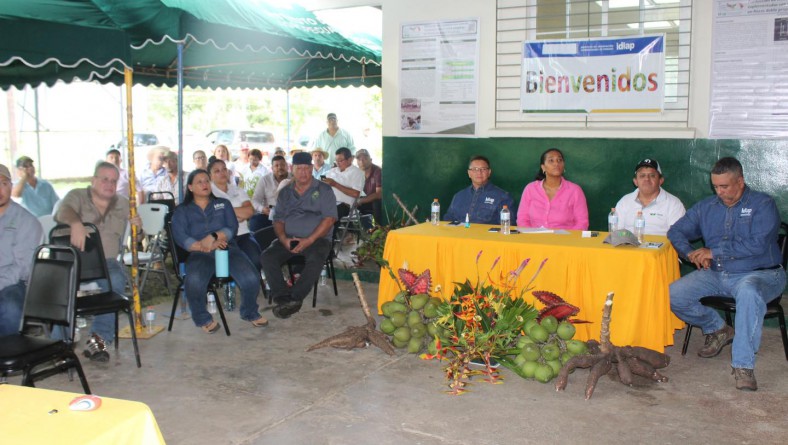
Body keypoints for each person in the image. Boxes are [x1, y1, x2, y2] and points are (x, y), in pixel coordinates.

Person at [668, 157, 786, 391]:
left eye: (724, 186)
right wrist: (690, 253)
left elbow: (758, 245)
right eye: (715, 187)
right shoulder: (706, 207)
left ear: (740, 181)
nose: (719, 192)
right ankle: (717, 328)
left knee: (749, 294)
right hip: (717, 273)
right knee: (674, 295)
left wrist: (713, 251)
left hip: (761, 274)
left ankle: (743, 366)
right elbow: (676, 231)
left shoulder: (763, 204)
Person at [55, 161, 140, 361]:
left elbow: (135, 237)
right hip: (73, 259)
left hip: (106, 262)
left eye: (113, 180)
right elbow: (62, 211)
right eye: (104, 179)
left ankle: (98, 341)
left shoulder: (123, 203)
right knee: (58, 286)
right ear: (94, 180)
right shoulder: (77, 196)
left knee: (117, 281)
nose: (109, 184)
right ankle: (58, 346)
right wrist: (76, 223)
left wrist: (138, 228)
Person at [171, 169, 268, 333]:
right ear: (190, 187)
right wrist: (203, 246)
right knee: (193, 281)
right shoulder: (182, 210)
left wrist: (215, 236)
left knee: (251, 278)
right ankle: (202, 318)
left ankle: (249, 312)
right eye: (199, 182)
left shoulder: (223, 204)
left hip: (227, 249)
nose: (204, 184)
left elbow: (232, 227)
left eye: (206, 181)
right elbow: (180, 236)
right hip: (199, 252)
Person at [260, 152, 337, 319]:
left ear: (311, 169)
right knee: (267, 257)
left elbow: (329, 219)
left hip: (317, 239)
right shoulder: (286, 193)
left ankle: (295, 298)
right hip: (289, 238)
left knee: (316, 258)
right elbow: (278, 219)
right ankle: (283, 299)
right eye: (299, 168)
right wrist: (284, 239)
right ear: (292, 170)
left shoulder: (324, 189)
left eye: (306, 168)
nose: (303, 172)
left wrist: (309, 240)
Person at [0, 164, 43, 336]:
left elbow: (22, 267)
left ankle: (7, 356)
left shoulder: (26, 221)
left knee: (9, 307)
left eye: (3, 183)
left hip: (15, 284)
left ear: (11, 185)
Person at [208, 158, 261, 270]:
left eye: (224, 169)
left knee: (256, 259)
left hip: (243, 234)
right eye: (217, 171)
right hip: (221, 237)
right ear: (210, 176)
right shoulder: (208, 194)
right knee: (232, 263)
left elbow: (250, 211)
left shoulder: (237, 190)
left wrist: (225, 211)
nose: (222, 173)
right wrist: (238, 213)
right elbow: (213, 217)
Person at [516, 148, 588, 230]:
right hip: (534, 239)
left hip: (564, 240)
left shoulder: (575, 191)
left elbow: (582, 223)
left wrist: (568, 239)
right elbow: (522, 219)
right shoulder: (530, 189)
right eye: (551, 160)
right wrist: (531, 237)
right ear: (543, 167)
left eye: (559, 160)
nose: (556, 164)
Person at [614, 158, 685, 236]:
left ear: (660, 180)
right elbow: (616, 233)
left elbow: (678, 237)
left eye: (652, 175)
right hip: (628, 247)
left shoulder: (674, 204)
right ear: (635, 181)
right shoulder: (624, 202)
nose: (647, 179)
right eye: (642, 176)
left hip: (659, 247)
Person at [443, 155, 514, 225]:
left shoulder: (503, 197)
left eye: (483, 169)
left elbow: (508, 226)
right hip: (458, 235)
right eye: (475, 169)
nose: (479, 172)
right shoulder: (459, 196)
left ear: (489, 172)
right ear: (469, 173)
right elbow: (448, 222)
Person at [323, 147, 365, 234]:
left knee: (329, 217)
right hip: (327, 202)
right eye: (336, 161)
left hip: (344, 205)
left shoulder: (357, 173)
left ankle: (329, 244)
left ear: (350, 159)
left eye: (341, 160)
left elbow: (356, 194)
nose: (338, 163)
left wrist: (335, 184)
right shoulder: (332, 171)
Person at [249, 155, 292, 232]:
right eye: (276, 165)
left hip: (290, 215)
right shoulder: (264, 180)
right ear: (272, 168)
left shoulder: (295, 178)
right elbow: (255, 200)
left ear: (287, 166)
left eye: (282, 165)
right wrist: (262, 209)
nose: (280, 167)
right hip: (269, 214)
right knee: (254, 222)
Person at [354, 149, 383, 227]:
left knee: (376, 203)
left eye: (365, 158)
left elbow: (379, 194)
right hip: (366, 199)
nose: (362, 161)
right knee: (348, 205)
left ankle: (379, 229)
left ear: (370, 160)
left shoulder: (377, 171)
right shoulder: (357, 173)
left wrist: (360, 201)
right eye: (359, 159)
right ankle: (365, 231)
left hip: (379, 201)